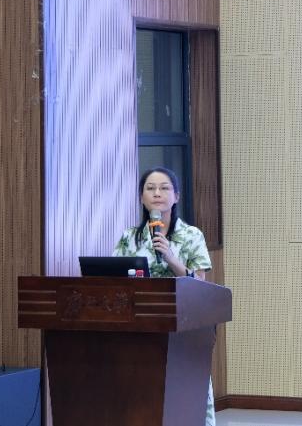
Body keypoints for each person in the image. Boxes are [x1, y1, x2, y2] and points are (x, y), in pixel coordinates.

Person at [114, 167, 214, 425]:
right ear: (141, 197)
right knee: (143, 393)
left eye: (164, 188)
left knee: (184, 391)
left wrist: (171, 258)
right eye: (150, 188)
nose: (157, 193)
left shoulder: (191, 235)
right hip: (141, 325)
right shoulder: (130, 237)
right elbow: (115, 278)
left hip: (183, 325)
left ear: (176, 196)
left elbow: (200, 284)